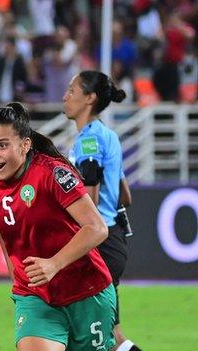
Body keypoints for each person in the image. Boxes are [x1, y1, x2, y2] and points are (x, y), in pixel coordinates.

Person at [0, 102, 116, 351]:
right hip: (35, 295)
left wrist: (54, 263)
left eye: (2, 145)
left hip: (87, 291)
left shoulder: (53, 174)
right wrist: (15, 276)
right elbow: (3, 224)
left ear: (25, 145)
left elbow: (97, 228)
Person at [63, 70, 141, 351]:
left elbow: (90, 201)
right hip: (114, 239)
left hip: (100, 245)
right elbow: (126, 196)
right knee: (113, 336)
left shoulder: (88, 141)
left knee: (83, 332)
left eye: (72, 90)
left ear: (89, 98)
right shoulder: (109, 136)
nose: (65, 96)